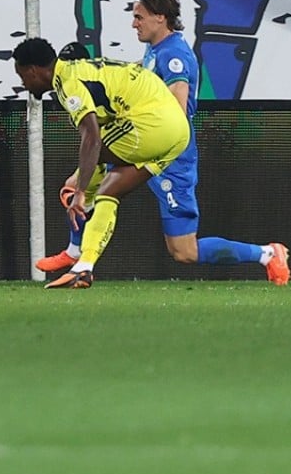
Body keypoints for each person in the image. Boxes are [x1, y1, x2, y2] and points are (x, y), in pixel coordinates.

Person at [38, 0, 290, 284]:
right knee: (79, 187)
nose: (134, 23)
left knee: (184, 251)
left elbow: (176, 111)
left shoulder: (174, 55)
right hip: (141, 139)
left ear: (160, 17)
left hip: (170, 155)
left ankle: (266, 254)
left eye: (139, 17)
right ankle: (76, 254)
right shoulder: (156, 50)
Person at [13, 36, 189, 289]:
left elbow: (92, 138)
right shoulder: (81, 69)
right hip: (179, 133)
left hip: (152, 123)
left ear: (33, 70)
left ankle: (79, 227)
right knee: (110, 191)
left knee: (90, 161)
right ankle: (83, 266)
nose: (23, 83)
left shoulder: (69, 83)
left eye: (22, 76)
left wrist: (80, 191)